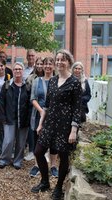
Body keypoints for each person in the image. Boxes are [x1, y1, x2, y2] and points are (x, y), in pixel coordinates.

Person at [31, 49, 82, 200]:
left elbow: (77, 109)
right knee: (39, 152)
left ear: (69, 63)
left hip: (65, 126)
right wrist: (40, 124)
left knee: (63, 157)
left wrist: (73, 131)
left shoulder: (74, 83)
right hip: (50, 123)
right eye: (57, 60)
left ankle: (59, 187)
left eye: (63, 60)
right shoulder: (52, 81)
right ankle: (45, 181)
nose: (59, 62)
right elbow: (46, 106)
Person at [28, 57, 58, 178]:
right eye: (46, 64)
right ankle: (37, 164)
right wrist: (41, 111)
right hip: (38, 114)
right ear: (42, 66)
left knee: (54, 141)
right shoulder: (37, 81)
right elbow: (33, 98)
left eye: (50, 64)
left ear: (54, 66)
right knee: (37, 140)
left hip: (54, 116)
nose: (48, 66)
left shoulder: (58, 81)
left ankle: (53, 166)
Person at [0, 62, 30, 169]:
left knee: (21, 142)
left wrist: (29, 118)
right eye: (15, 69)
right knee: (8, 140)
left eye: (20, 69)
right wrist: (2, 116)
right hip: (9, 118)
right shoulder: (7, 85)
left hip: (23, 118)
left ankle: (17, 161)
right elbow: (1, 102)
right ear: (12, 71)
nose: (17, 71)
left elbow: (30, 104)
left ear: (23, 71)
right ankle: (4, 159)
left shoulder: (27, 86)